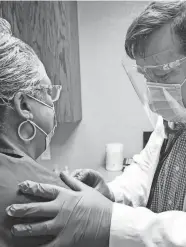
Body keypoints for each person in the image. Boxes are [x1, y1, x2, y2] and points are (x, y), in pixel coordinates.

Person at [6, 0, 186, 246]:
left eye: (163, 75)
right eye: (147, 77)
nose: (154, 91)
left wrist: (111, 220)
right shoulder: (175, 116)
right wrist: (111, 194)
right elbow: (146, 170)